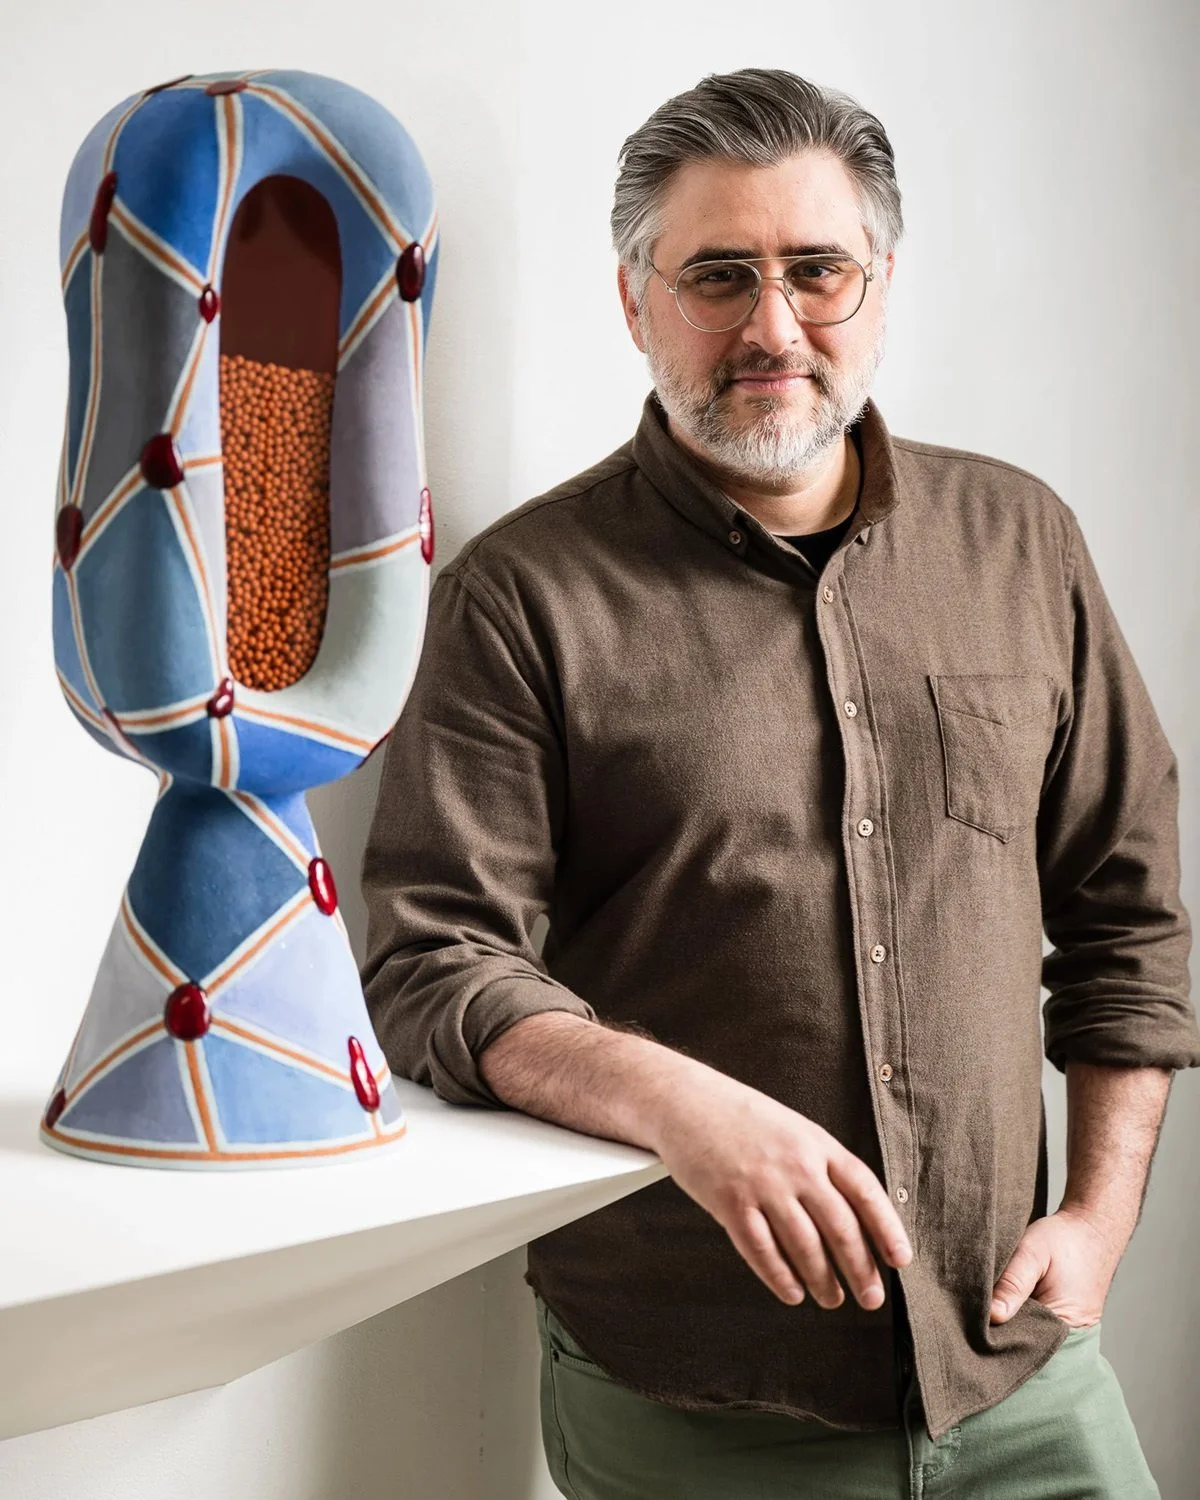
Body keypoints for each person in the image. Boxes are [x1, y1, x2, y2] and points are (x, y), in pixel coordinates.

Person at [359, 68, 1199, 1499]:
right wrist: (683, 1105)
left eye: (818, 270)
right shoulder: (520, 596)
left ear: (880, 283)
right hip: (696, 1408)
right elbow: (435, 962)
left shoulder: (1022, 541)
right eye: (719, 276)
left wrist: (1102, 1216)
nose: (773, 326)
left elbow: (1133, 914)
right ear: (636, 302)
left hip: (1023, 1372)